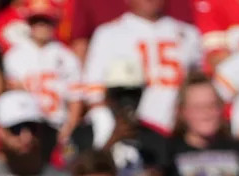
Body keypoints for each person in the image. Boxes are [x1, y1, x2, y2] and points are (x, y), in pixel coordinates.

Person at [81, 0, 201, 134]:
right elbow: (94, 93)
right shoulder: (109, 34)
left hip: (179, 130)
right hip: (134, 130)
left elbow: (198, 84)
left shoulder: (189, 33)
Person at [2, 0, 82, 144]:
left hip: (58, 123)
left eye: (46, 21)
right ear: (28, 23)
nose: (41, 26)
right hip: (27, 125)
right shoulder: (14, 56)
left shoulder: (66, 56)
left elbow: (75, 97)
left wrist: (69, 127)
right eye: (36, 21)